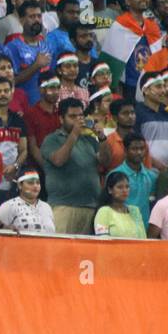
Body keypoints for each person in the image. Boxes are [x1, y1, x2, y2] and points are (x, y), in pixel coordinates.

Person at [40, 97, 101, 234]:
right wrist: (74, 134)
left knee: (86, 255)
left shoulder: (90, 140)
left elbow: (105, 161)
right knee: (59, 252)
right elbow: (59, 160)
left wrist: (102, 138)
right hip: (63, 206)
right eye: (72, 116)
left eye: (80, 116)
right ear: (61, 119)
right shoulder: (51, 139)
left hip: (91, 206)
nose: (78, 120)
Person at [93, 169, 146, 239]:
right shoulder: (104, 212)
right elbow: (102, 240)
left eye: (127, 187)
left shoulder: (135, 211)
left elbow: (143, 238)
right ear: (110, 190)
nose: (124, 190)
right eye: (120, 187)